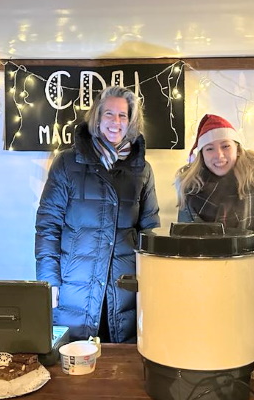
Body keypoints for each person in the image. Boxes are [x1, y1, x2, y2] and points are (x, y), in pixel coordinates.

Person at [35, 85, 160, 343]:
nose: (115, 122)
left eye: (123, 115)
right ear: (97, 117)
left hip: (124, 289)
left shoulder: (142, 170)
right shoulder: (68, 163)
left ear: (131, 121)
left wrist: (153, 283)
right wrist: (48, 281)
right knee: (72, 366)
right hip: (75, 288)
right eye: (109, 114)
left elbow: (150, 231)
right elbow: (48, 226)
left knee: (120, 369)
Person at [175, 113, 254, 347]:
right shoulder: (190, 189)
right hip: (210, 288)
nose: (219, 156)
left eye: (225, 146)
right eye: (209, 149)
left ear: (237, 148)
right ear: (201, 153)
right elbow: (185, 246)